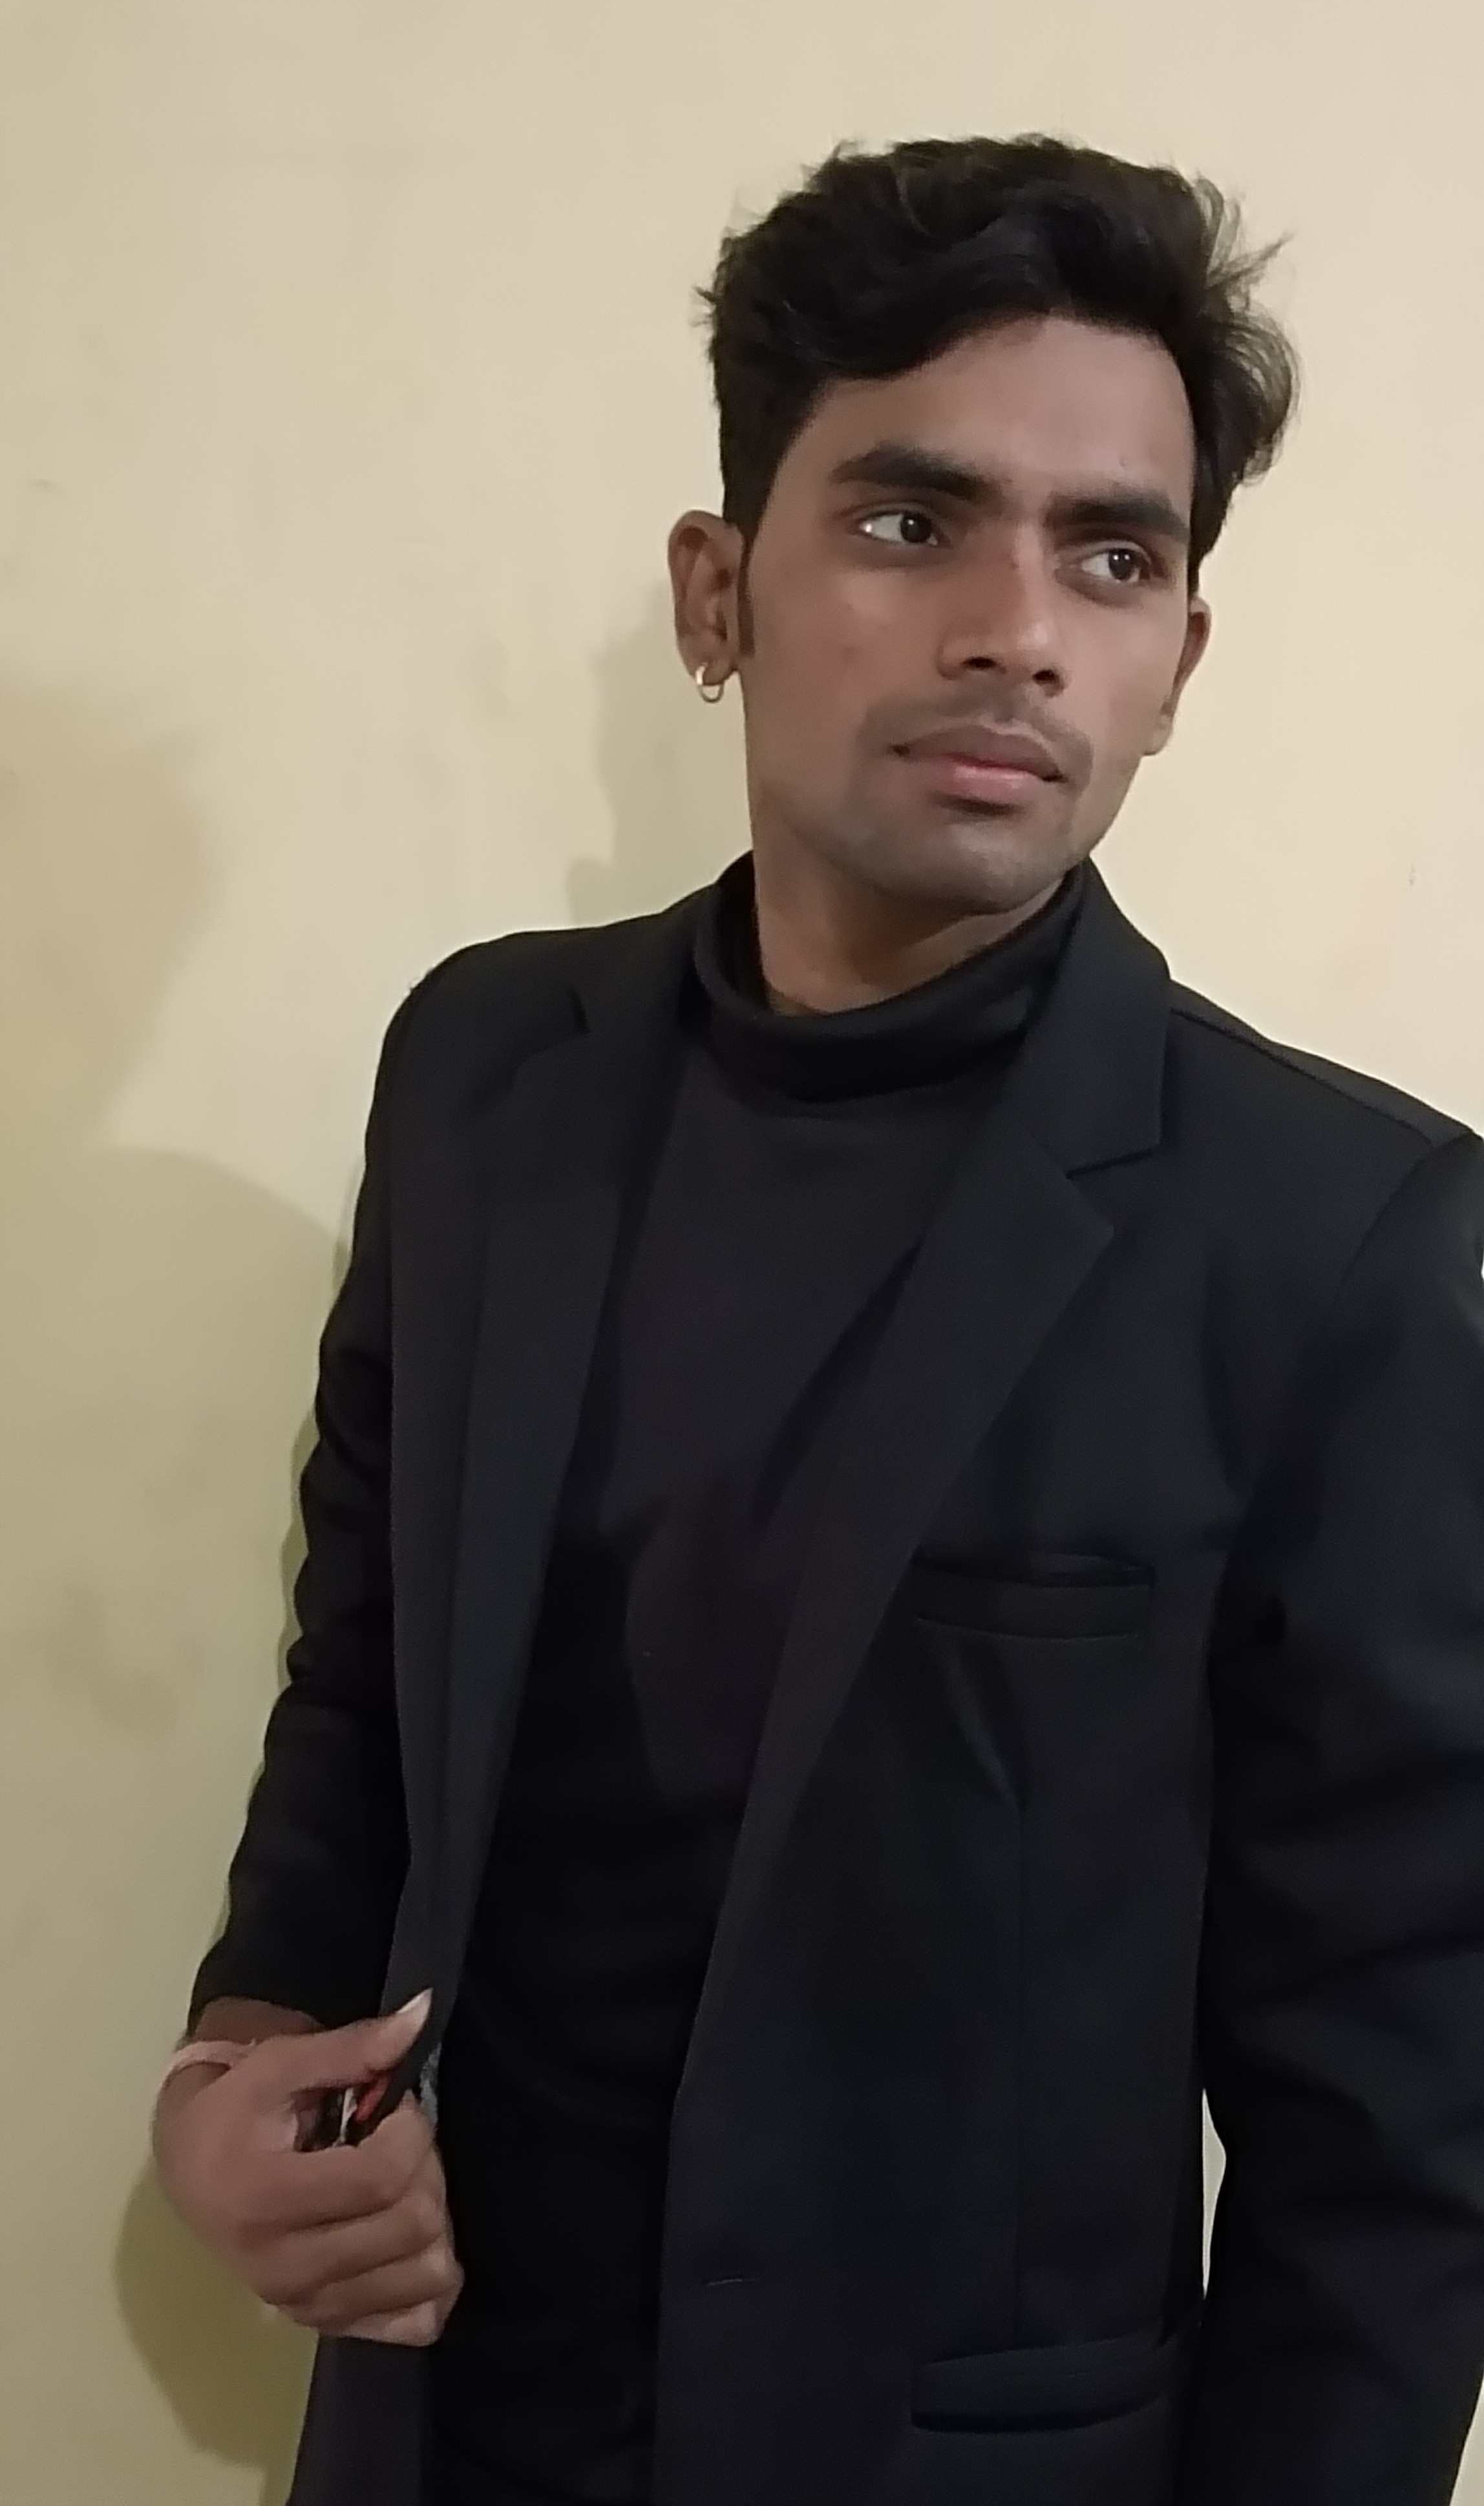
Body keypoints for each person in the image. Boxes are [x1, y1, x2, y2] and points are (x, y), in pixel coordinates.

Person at [152, 135, 1484, 2506]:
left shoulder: (1337, 1235)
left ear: (1180, 664)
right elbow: (363, 1684)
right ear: (718, 591)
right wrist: (232, 2071)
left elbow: (1393, 2117)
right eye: (908, 519)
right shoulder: (485, 1079)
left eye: (1113, 555)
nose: (1017, 628)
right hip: (447, 2432)